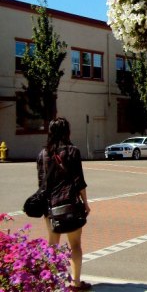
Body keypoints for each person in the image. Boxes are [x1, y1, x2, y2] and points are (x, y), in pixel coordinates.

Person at [37, 117, 91, 291]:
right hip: (70, 205)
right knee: (75, 245)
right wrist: (86, 203)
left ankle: (50, 281)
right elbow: (79, 181)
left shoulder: (43, 154)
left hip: (50, 206)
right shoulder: (72, 151)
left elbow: (41, 184)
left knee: (52, 244)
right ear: (67, 131)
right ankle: (76, 283)